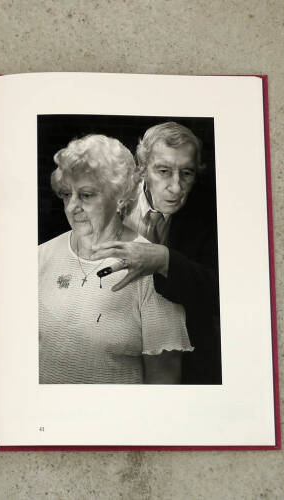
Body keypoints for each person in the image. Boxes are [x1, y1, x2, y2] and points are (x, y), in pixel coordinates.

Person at [38, 134, 192, 384]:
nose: (72, 206)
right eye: (66, 194)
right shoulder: (41, 256)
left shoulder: (151, 269)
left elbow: (164, 377)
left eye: (86, 195)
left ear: (120, 196)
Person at [90, 122, 220, 384]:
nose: (176, 187)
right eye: (163, 171)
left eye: (186, 173)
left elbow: (220, 291)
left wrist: (164, 260)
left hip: (179, 351)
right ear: (142, 168)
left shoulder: (213, 211)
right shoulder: (108, 197)